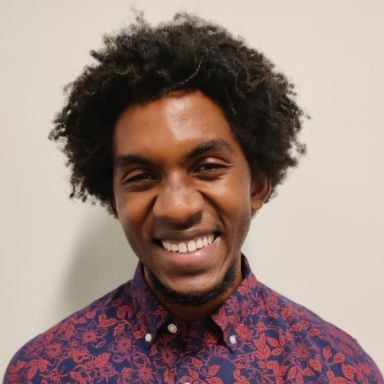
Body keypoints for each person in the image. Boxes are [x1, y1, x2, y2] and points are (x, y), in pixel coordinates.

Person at [4, 13, 383, 384]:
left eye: (207, 167)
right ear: (112, 199)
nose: (178, 207)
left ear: (258, 185)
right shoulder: (46, 370)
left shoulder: (338, 371)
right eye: (141, 176)